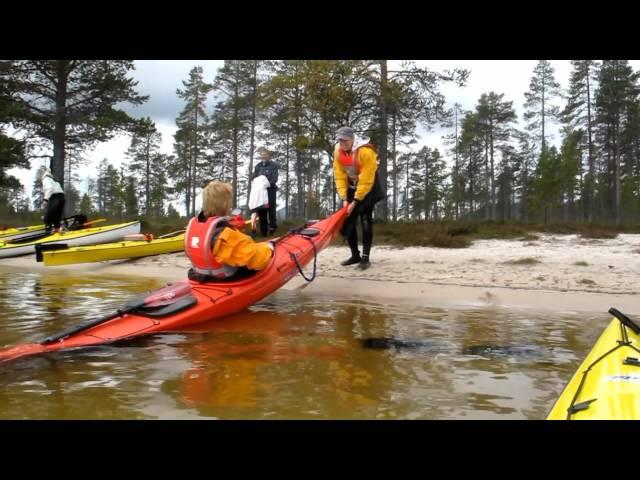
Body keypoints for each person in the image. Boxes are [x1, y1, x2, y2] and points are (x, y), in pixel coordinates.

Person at [185, 180, 274, 283]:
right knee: (262, 258)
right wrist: (270, 250)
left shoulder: (195, 224)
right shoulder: (224, 234)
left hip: (199, 274)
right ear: (225, 204)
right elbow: (258, 260)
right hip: (223, 277)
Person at [333, 126, 383, 270]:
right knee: (348, 220)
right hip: (351, 185)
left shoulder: (366, 152)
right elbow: (339, 175)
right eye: (340, 140)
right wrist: (344, 198)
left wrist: (355, 202)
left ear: (352, 139)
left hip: (368, 185)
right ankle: (355, 255)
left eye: (345, 140)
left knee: (365, 219)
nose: (342, 143)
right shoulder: (337, 151)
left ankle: (366, 258)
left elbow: (367, 179)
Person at [253, 147, 278, 236]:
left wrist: (266, 185)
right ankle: (263, 231)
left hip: (270, 190)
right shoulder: (257, 167)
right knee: (261, 210)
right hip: (260, 192)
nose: (263, 156)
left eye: (265, 154)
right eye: (262, 154)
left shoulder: (274, 165)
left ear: (269, 155)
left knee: (271, 210)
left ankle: (272, 229)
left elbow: (275, 178)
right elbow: (255, 179)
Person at [37, 165, 66, 234]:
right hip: (61, 197)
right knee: (56, 216)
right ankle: (57, 229)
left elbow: (49, 188)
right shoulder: (52, 179)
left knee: (47, 216)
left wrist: (45, 200)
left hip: (55, 197)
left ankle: (48, 231)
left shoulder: (45, 179)